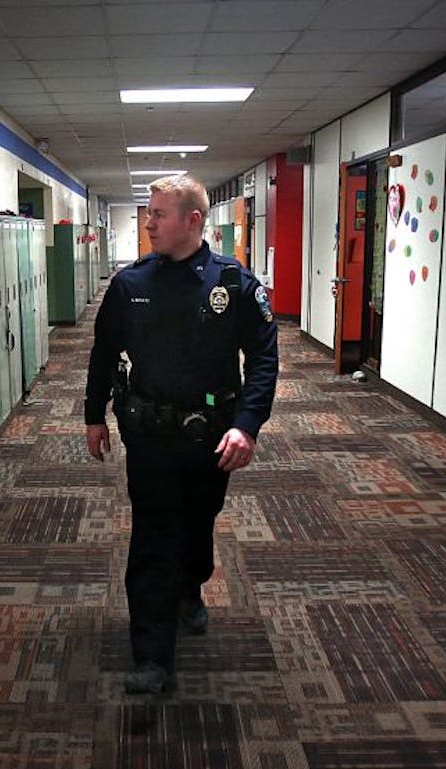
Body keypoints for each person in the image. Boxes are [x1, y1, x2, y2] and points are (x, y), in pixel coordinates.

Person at [84, 174, 279, 695]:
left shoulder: (233, 283)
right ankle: (152, 658)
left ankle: (192, 586)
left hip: (212, 437)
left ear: (193, 221)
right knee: (152, 538)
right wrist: (93, 414)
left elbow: (263, 359)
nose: (147, 224)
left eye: (158, 215)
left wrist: (247, 425)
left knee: (198, 525)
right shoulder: (131, 283)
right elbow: (103, 354)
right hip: (149, 436)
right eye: (148, 214)